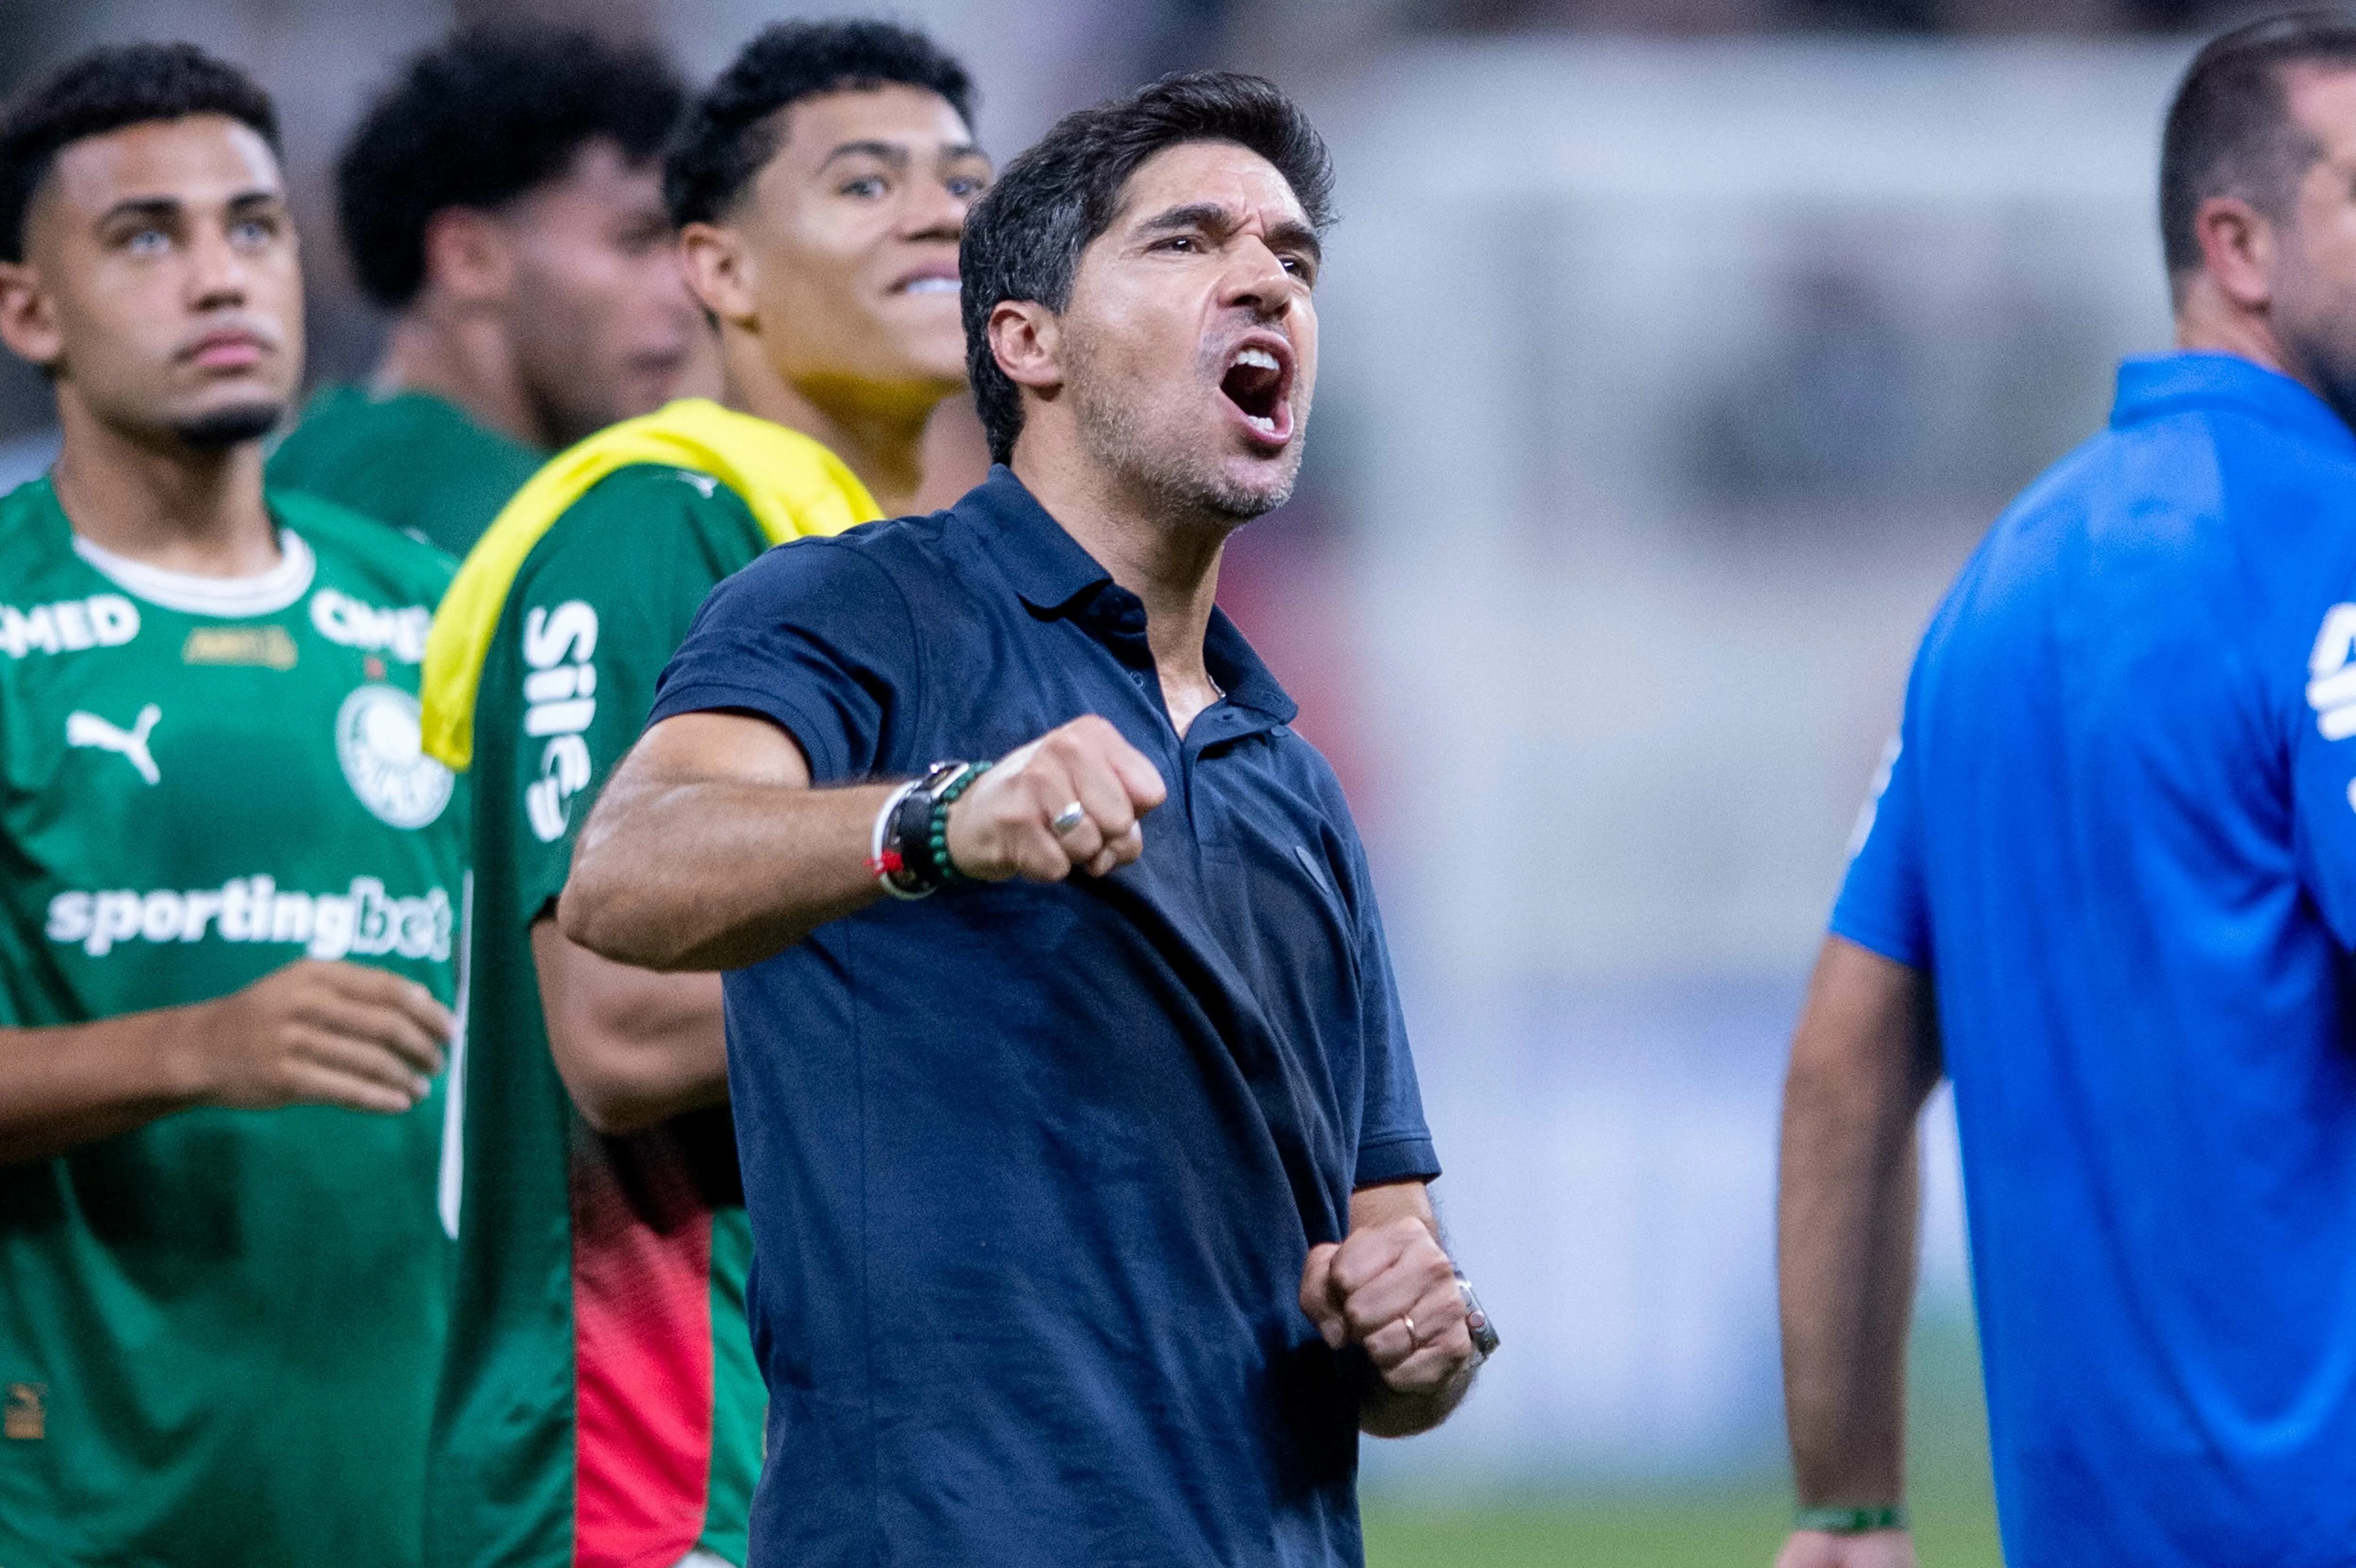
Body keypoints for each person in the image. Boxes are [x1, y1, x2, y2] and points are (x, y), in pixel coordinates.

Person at [558, 72, 1492, 1568]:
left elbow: (1389, 1255)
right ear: (1026, 341)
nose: (1267, 281)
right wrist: (938, 822)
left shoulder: (1293, 782)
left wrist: (1416, 1334)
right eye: (1186, 241)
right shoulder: (858, 607)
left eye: (1293, 259)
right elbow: (626, 869)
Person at [1777, 12, 2356, 1567]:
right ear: (2237, 245)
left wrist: (1847, 1502)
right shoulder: (2333, 547)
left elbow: (1842, 1060)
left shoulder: (1998, 586)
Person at [415, 23, 988, 1568]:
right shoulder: (650, 528)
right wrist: (1006, 967)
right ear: (717, 269)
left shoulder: (912, 576)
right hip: (652, 1473)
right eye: (864, 183)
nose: (937, 215)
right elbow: (613, 1029)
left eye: (964, 181)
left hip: (834, 1460)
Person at [0, 43, 464, 1567]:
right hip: (75, 1503)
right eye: (147, 237)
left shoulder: (436, 611)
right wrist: (201, 1047)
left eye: (252, 226)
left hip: (413, 1483)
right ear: (29, 311)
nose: (221, 277)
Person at [267, 24, 696, 556]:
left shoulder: (311, 453)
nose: (688, 292)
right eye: (636, 242)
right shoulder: (510, 519)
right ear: (469, 258)